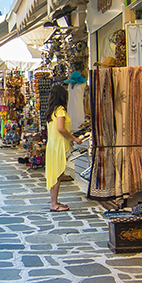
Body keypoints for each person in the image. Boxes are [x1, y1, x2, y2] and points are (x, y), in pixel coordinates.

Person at [45, 84, 81, 212]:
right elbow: (60, 128)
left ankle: (54, 201)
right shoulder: (60, 110)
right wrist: (74, 138)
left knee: (56, 174)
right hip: (58, 146)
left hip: (53, 145)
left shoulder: (52, 111)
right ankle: (53, 204)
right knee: (57, 175)